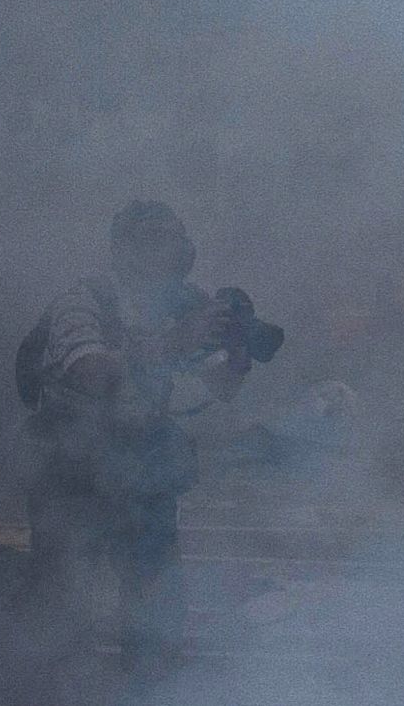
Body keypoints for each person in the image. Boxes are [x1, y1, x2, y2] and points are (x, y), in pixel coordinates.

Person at [20, 201, 253, 698]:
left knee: (157, 616)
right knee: (63, 616)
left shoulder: (185, 302)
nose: (167, 251)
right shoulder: (85, 300)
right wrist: (173, 343)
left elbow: (221, 386)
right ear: (122, 249)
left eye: (174, 239)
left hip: (143, 468)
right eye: (151, 238)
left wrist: (237, 349)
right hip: (72, 473)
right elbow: (91, 371)